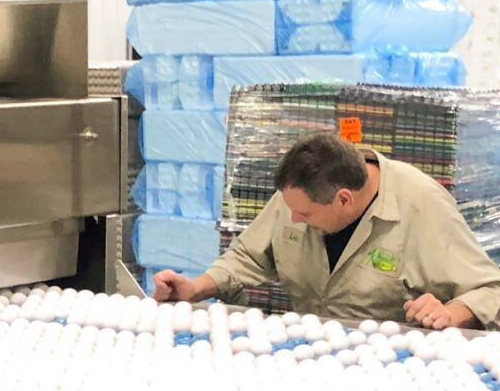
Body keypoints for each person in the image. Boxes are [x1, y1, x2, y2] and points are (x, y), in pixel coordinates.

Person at [152, 132, 500, 329]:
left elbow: (490, 288)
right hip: (310, 352)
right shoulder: (300, 192)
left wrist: (450, 312)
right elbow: (248, 255)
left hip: (393, 366)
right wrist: (196, 287)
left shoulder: (421, 206)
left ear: (344, 199)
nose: (295, 220)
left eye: (305, 214)